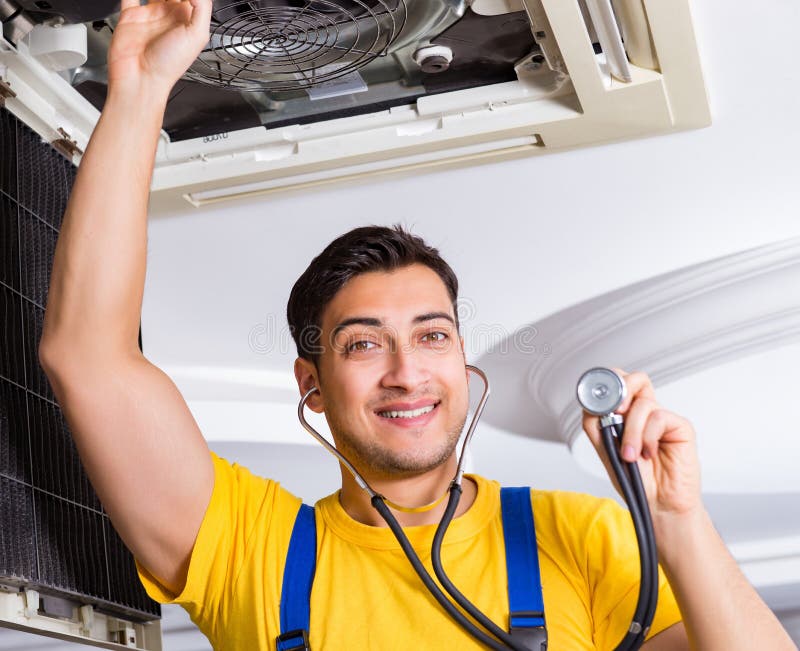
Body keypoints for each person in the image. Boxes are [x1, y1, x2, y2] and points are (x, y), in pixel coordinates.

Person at [36, 1, 796, 649]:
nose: (406, 369)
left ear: (464, 364)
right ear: (313, 386)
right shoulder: (251, 545)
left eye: (432, 335)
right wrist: (140, 86)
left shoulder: (580, 535)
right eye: (363, 342)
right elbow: (87, 356)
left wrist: (678, 520)